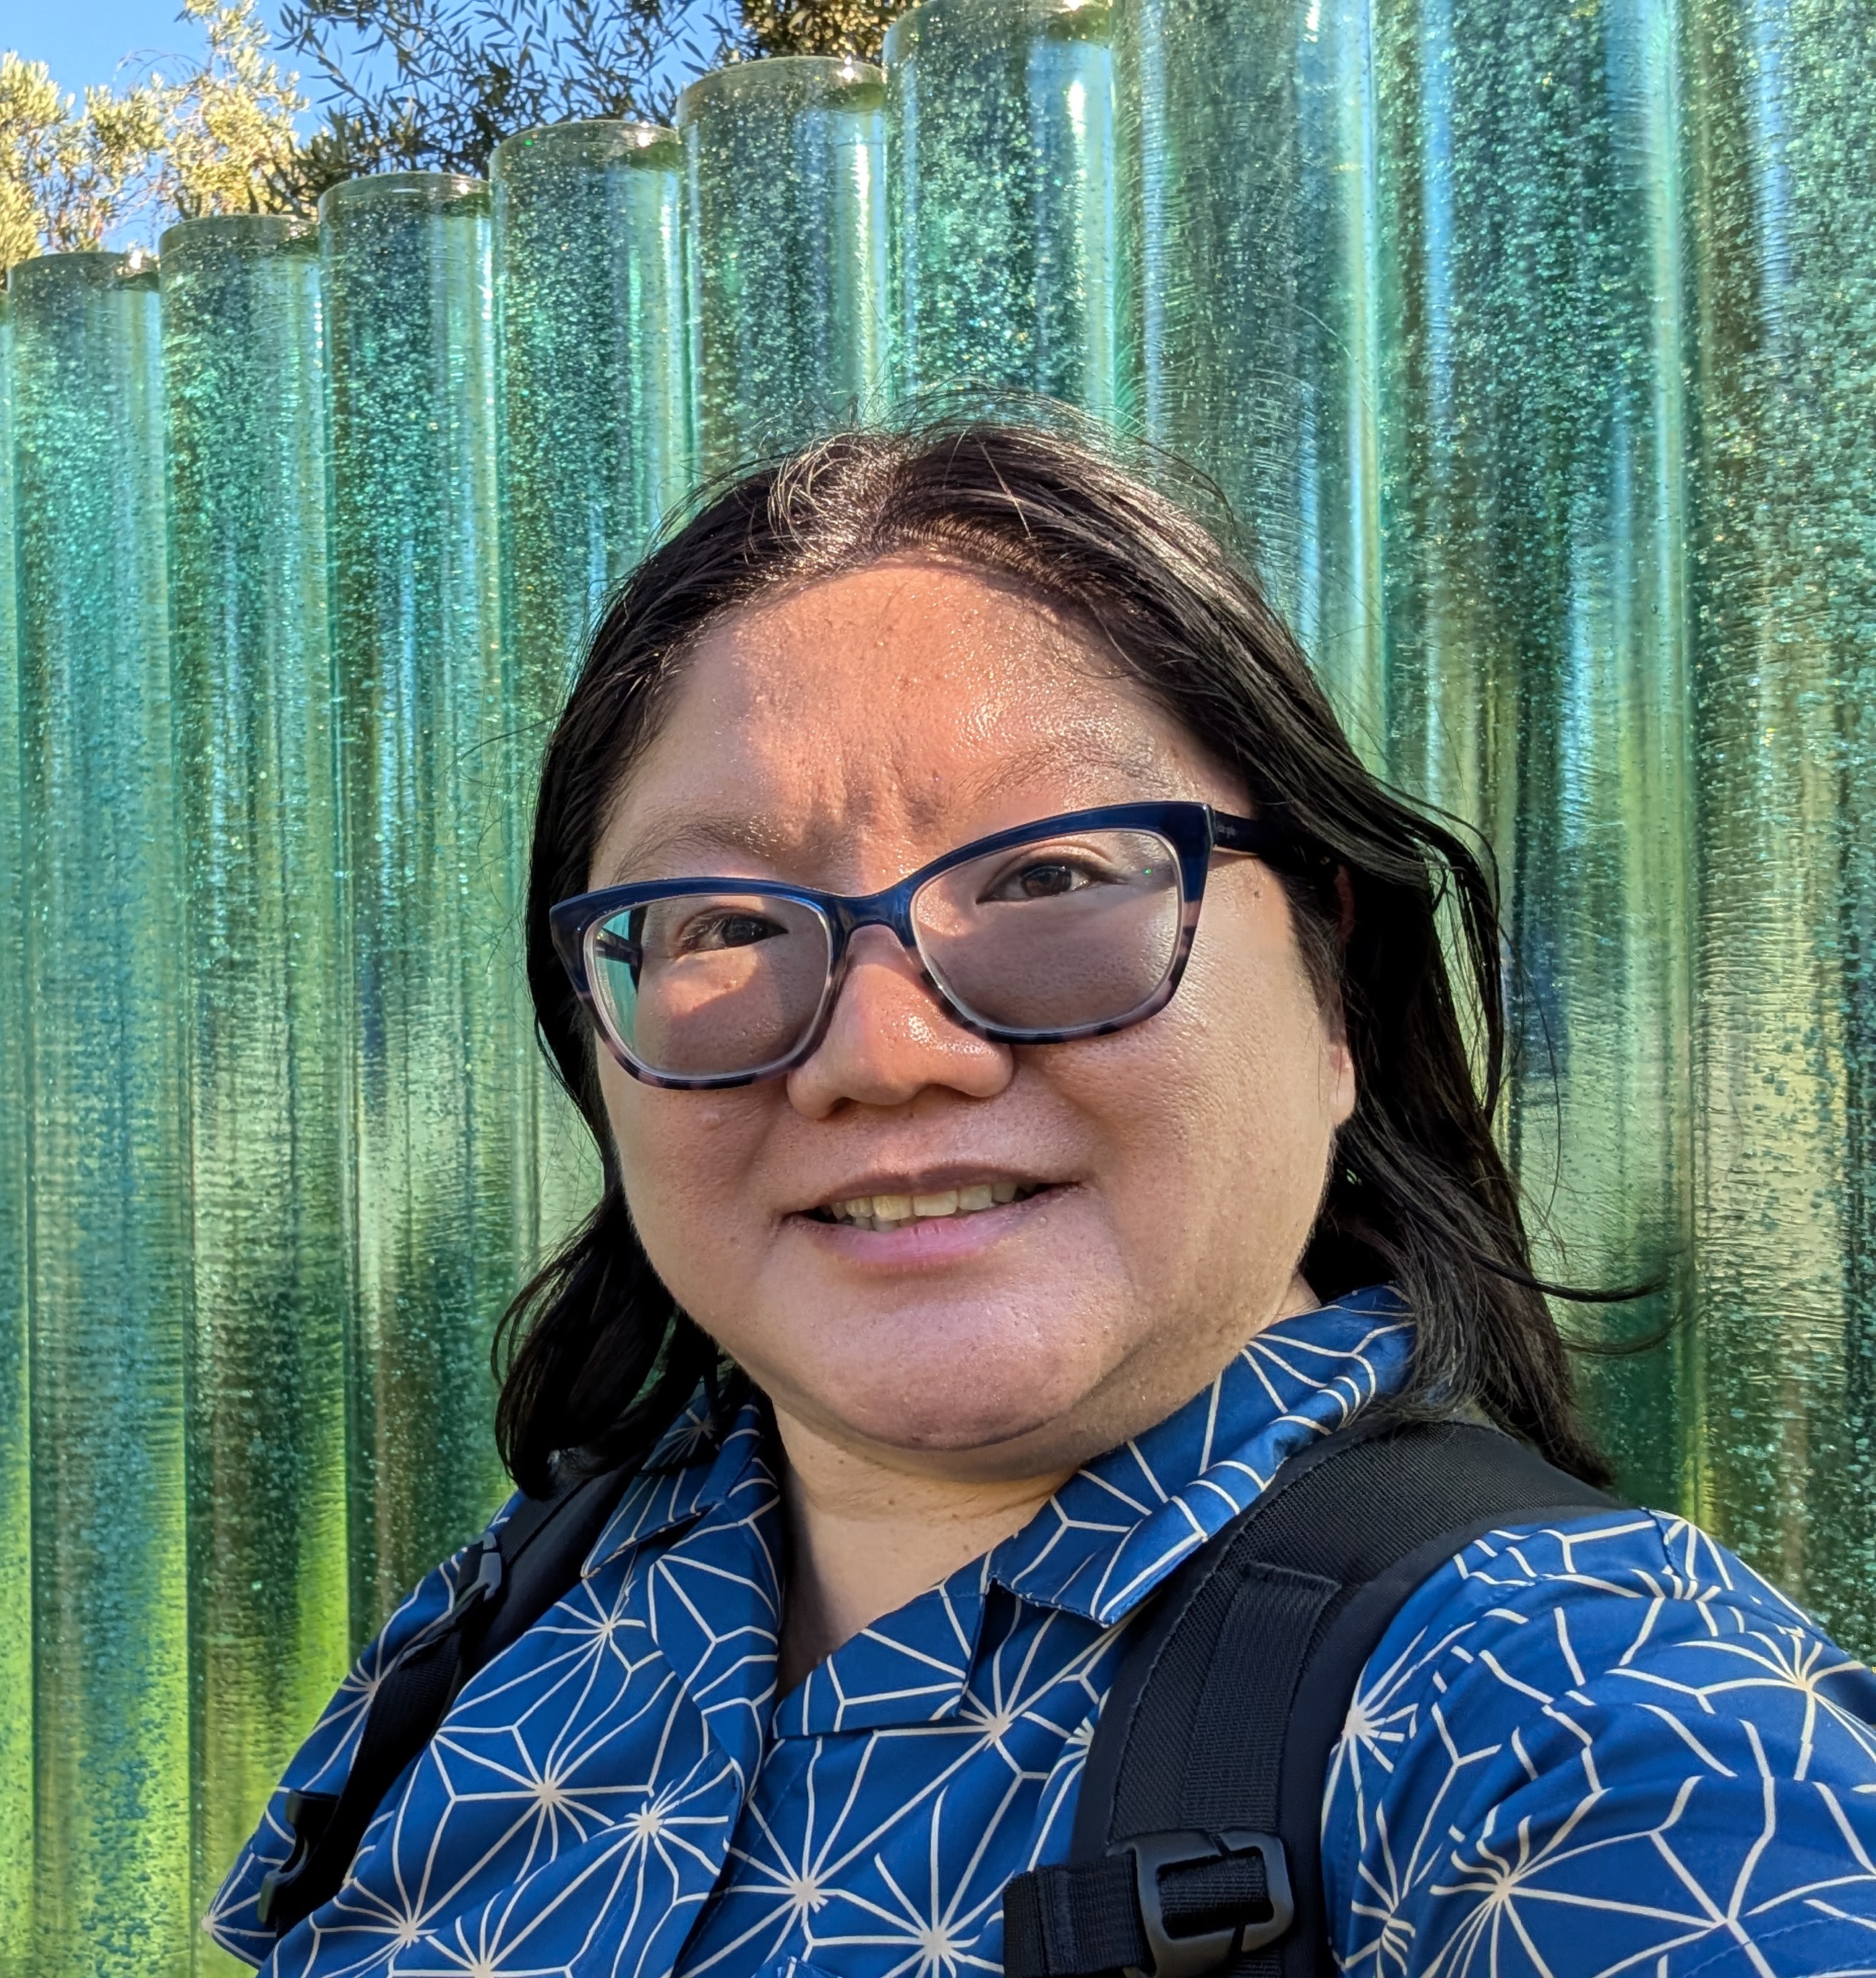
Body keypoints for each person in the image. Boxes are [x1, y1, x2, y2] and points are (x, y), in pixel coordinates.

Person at [208, 422, 1876, 1977]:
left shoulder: (1598, 1743)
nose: (879, 1050)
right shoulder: (533, 1602)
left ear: (1338, 999)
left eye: (1054, 877)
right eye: (720, 923)